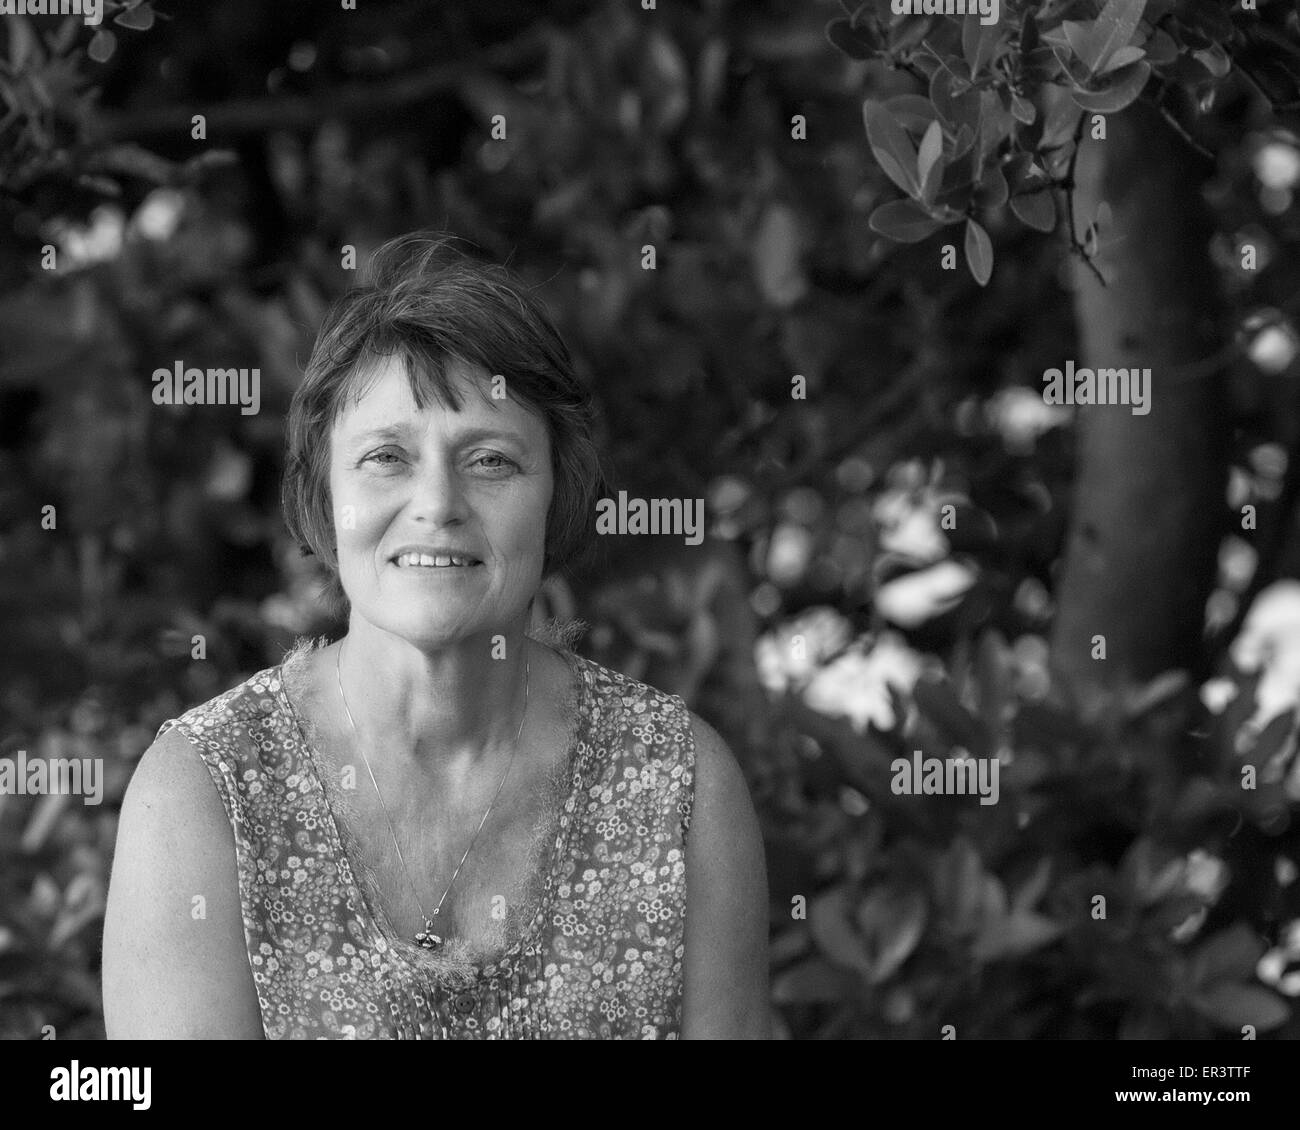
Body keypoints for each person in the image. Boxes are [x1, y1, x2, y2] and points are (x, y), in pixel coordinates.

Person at [101, 234, 769, 1039]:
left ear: (558, 495)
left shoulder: (682, 789)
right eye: (386, 457)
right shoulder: (202, 792)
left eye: (490, 461)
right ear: (323, 495)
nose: (437, 504)